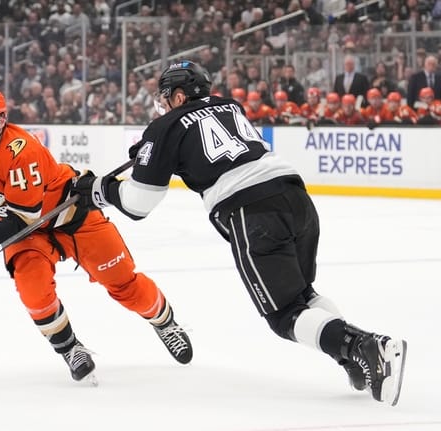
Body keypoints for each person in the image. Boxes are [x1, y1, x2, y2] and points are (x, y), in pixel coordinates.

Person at [71, 61, 407, 405]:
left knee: (283, 315)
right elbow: (202, 143)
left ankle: (364, 346)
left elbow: (139, 203)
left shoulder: (166, 125)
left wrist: (99, 188)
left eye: (167, 97)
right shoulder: (230, 105)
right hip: (296, 196)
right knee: (304, 295)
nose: (163, 103)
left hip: (253, 210)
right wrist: (153, 153)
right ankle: (348, 357)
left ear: (180, 95)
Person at [0, 86, 192, 384]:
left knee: (124, 284)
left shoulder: (22, 149)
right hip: (30, 236)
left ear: (1, 120)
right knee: (34, 292)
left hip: (71, 218)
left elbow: (19, 221)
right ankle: (70, 349)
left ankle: (165, 322)